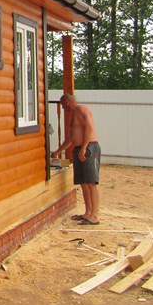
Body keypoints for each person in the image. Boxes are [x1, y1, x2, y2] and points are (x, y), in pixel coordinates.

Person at [51, 93, 101, 225]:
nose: (63, 108)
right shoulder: (72, 115)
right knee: (83, 183)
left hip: (89, 148)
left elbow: (89, 128)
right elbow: (71, 138)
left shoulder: (81, 109)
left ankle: (94, 215)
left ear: (67, 102)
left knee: (91, 182)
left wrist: (84, 148)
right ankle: (88, 212)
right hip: (79, 149)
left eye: (63, 105)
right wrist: (58, 151)